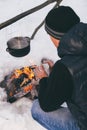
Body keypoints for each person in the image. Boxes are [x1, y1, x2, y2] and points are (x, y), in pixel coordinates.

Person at [31, 6, 87, 130]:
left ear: (55, 37)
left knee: (37, 108)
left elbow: (47, 104)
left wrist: (44, 79)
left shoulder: (64, 69)